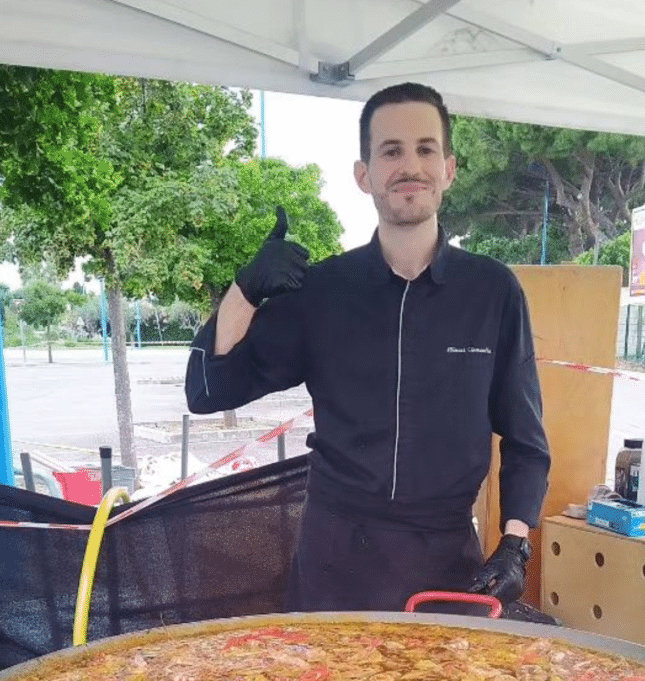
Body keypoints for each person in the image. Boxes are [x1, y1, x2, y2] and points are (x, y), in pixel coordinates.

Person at [185, 82, 550, 612]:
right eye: (391, 151)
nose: (410, 166)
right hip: (336, 560)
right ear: (365, 175)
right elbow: (208, 389)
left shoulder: (492, 291)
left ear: (449, 169)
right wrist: (244, 291)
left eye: (426, 149)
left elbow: (526, 439)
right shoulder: (323, 292)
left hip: (446, 563)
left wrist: (515, 545)